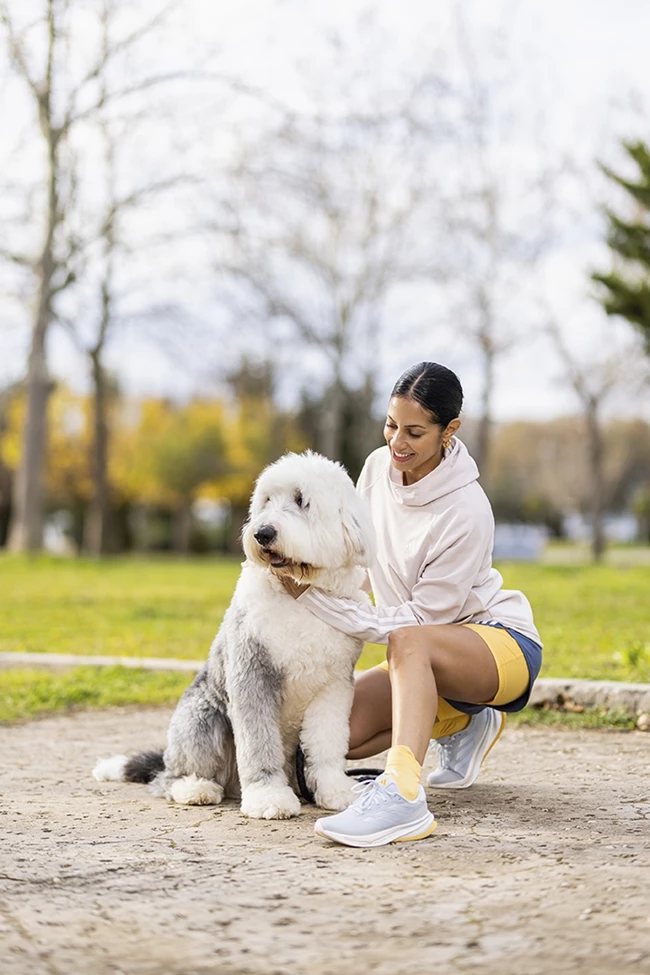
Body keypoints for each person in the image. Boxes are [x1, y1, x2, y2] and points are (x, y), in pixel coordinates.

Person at [285, 361, 542, 848]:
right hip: (420, 657)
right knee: (320, 745)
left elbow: (421, 622)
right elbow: (358, 565)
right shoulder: (376, 470)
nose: (396, 442)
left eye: (415, 432)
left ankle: (403, 796)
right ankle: (466, 721)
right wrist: (306, 572)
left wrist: (315, 598)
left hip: (498, 646)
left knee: (408, 640)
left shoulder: (467, 509)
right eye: (391, 425)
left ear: (450, 430)